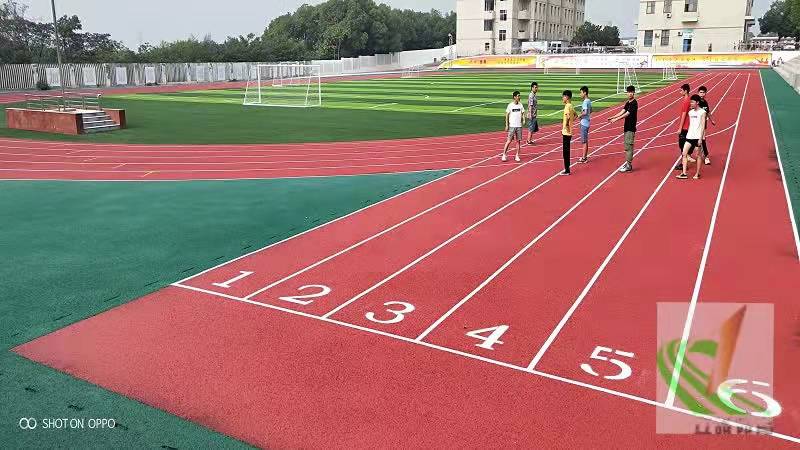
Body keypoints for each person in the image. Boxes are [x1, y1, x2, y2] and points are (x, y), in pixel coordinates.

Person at [607, 85, 638, 173]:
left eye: (631, 92)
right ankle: (628, 164)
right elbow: (622, 111)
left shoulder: (634, 103)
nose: (629, 94)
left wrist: (615, 120)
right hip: (626, 127)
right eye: (628, 92)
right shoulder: (628, 103)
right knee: (627, 146)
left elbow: (627, 114)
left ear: (633, 93)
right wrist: (612, 117)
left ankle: (629, 165)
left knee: (629, 147)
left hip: (630, 128)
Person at [676, 94, 707, 180]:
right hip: (689, 136)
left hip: (697, 137)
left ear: (697, 102)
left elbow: (703, 126)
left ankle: (697, 173)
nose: (691, 104)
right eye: (690, 102)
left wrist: (701, 138)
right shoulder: (690, 112)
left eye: (692, 102)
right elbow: (691, 125)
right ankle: (684, 173)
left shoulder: (702, 112)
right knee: (684, 153)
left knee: (698, 155)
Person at [502, 91, 525, 162]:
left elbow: (523, 112)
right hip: (512, 126)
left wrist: (524, 119)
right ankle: (504, 154)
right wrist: (507, 125)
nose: (519, 97)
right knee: (509, 141)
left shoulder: (520, 105)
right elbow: (507, 115)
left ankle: (517, 155)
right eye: (518, 96)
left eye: (519, 96)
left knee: (518, 141)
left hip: (519, 126)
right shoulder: (510, 105)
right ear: (514, 97)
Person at [696, 85, 717, 165]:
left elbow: (708, 112)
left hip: (703, 124)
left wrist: (712, 120)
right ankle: (688, 155)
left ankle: (706, 157)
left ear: (705, 93)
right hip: (695, 125)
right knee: (692, 141)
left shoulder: (705, 102)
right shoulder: (696, 102)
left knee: (703, 140)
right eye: (700, 92)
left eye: (703, 92)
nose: (702, 94)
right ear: (698, 93)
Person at [675, 83, 693, 171]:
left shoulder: (686, 101)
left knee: (682, 146)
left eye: (681, 90)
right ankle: (686, 159)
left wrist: (680, 128)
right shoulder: (688, 100)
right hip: (687, 126)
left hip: (685, 127)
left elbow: (684, 114)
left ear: (685, 91)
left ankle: (684, 163)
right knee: (685, 145)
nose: (680, 92)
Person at [560, 90, 578, 175]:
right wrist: (571, 122)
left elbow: (567, 117)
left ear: (566, 97)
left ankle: (567, 170)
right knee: (567, 151)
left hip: (566, 132)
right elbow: (576, 115)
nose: (562, 98)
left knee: (565, 152)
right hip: (570, 131)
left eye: (563, 96)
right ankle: (567, 169)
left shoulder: (567, 106)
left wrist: (566, 126)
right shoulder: (571, 105)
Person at [578, 86, 592, 163]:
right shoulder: (589, 101)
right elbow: (591, 110)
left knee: (584, 141)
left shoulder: (585, 102)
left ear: (585, 93)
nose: (580, 94)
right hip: (587, 122)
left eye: (581, 92)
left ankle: (584, 158)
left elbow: (585, 112)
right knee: (585, 141)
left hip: (584, 123)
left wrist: (579, 116)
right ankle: (584, 157)